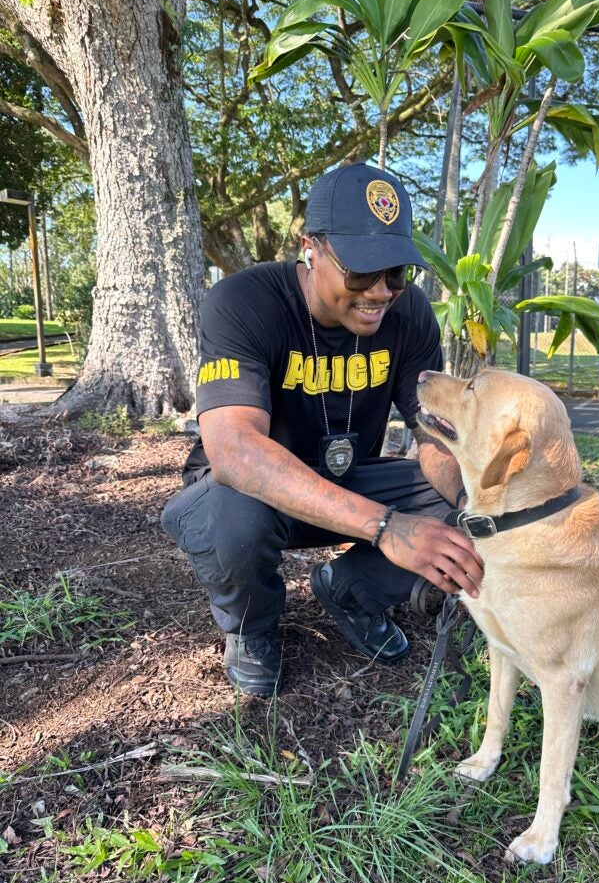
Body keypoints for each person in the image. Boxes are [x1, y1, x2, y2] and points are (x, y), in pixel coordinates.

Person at [161, 162, 483, 696]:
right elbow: (235, 450)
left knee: (480, 503)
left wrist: (469, 506)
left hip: (349, 480)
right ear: (310, 247)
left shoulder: (412, 316)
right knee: (229, 510)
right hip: (251, 493)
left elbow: (432, 434)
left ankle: (353, 592)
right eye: (361, 273)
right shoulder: (243, 303)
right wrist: (385, 527)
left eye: (397, 273)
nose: (381, 292)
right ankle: (253, 628)